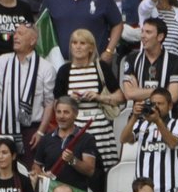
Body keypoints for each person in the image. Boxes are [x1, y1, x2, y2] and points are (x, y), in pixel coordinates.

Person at [50, 29, 123, 179]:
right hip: (74, 128)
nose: (77, 46)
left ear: (91, 47)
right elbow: (57, 102)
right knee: (75, 168)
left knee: (103, 173)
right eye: (74, 43)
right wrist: (70, 101)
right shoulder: (64, 70)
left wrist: (99, 97)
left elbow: (120, 97)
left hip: (100, 128)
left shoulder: (100, 67)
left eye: (82, 43)